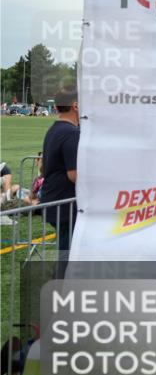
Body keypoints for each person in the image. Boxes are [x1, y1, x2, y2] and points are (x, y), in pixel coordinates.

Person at [40, 87, 80, 268]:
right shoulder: (71, 133)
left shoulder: (54, 130)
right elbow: (74, 175)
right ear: (75, 105)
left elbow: (42, 167)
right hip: (65, 204)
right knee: (68, 256)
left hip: (54, 200)